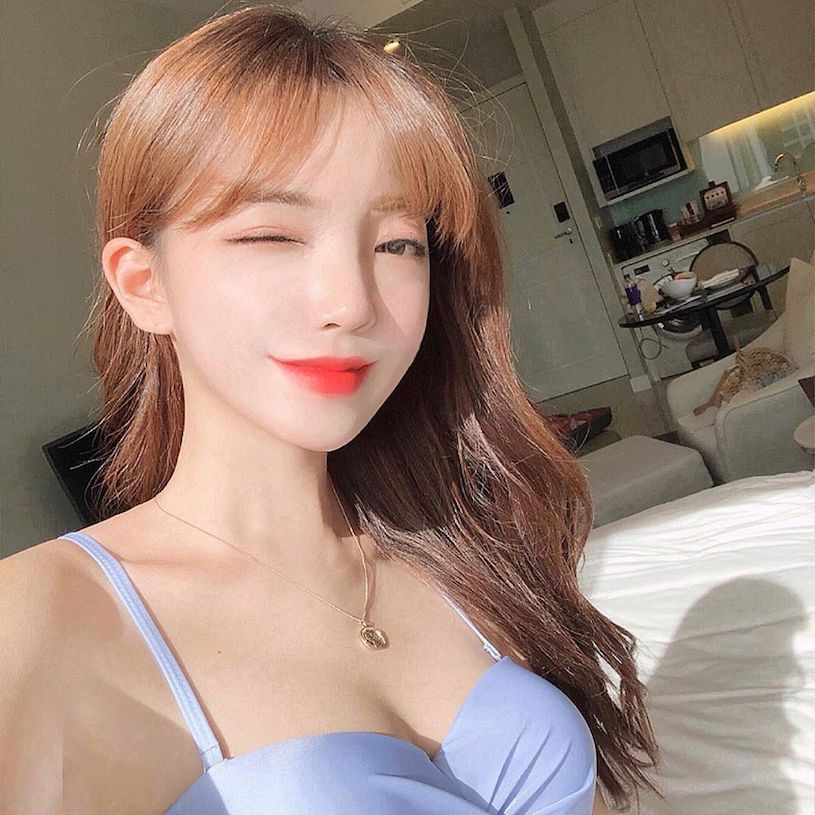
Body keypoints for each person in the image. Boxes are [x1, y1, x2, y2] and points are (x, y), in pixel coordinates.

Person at [0, 5, 662, 813]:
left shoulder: (464, 544)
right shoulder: (40, 619)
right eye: (271, 236)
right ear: (145, 284)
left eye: (396, 244)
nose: (350, 302)